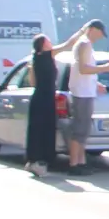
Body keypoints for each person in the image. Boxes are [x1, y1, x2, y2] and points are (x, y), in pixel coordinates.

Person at [23, 23, 91, 178]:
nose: (50, 42)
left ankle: (35, 160)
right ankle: (38, 161)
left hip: (41, 97)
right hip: (44, 98)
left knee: (39, 129)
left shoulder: (36, 59)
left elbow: (33, 83)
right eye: (47, 41)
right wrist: (82, 30)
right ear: (42, 45)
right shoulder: (48, 55)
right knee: (43, 130)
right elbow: (68, 44)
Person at [66, 19, 109, 177]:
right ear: (93, 29)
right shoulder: (84, 44)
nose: (101, 36)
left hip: (86, 90)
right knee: (79, 129)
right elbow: (83, 69)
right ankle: (74, 164)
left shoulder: (85, 44)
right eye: (100, 33)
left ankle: (81, 162)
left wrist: (96, 83)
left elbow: (84, 70)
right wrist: (105, 68)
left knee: (84, 129)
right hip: (81, 93)